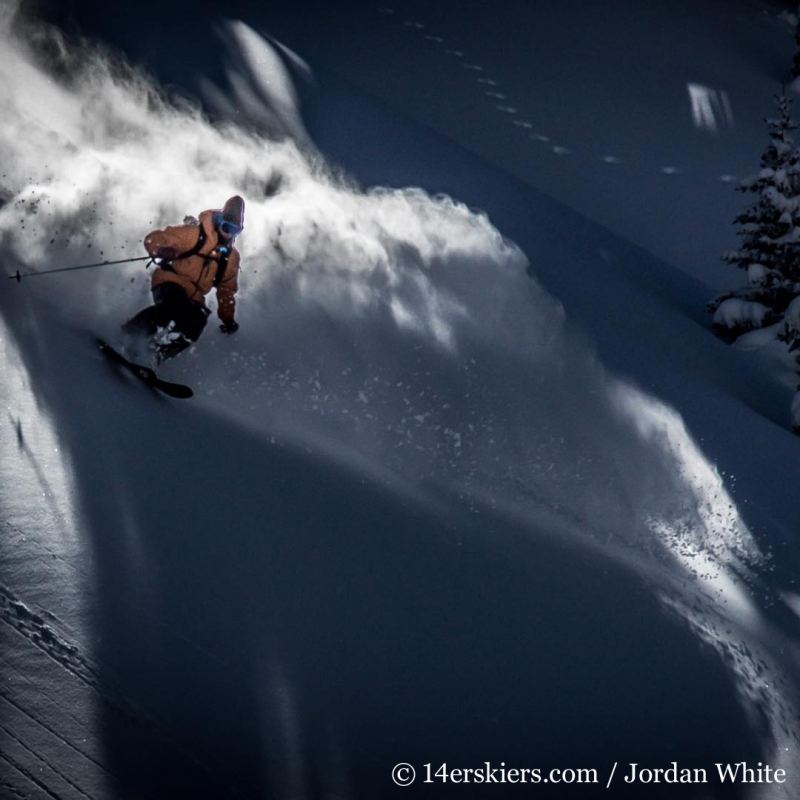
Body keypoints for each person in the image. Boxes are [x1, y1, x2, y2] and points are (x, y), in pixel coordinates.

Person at [123, 195, 244, 362]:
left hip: (195, 296)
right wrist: (161, 249)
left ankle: (154, 357)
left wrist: (227, 318)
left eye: (233, 230)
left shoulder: (231, 258)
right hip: (170, 279)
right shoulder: (194, 234)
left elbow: (226, 290)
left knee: (195, 325)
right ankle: (129, 334)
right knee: (172, 307)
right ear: (219, 221)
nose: (227, 233)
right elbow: (154, 238)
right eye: (225, 226)